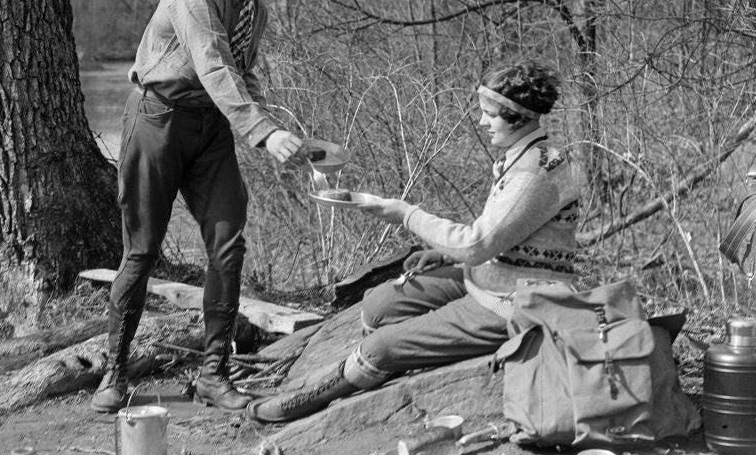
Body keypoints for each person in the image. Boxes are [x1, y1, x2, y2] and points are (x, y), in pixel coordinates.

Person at [246, 60, 580, 423]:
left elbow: (477, 244)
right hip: (488, 276)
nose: (482, 122)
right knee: (378, 305)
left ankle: (316, 398)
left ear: (518, 116)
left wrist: (406, 214)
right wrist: (442, 253)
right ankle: (384, 362)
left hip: (517, 301)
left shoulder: (535, 170)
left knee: (380, 346)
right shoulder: (520, 156)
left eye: (489, 115)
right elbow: (503, 235)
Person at [92, 0, 321, 413]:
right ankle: (113, 374)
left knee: (227, 245)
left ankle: (214, 376)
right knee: (142, 251)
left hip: (211, 129)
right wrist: (262, 132)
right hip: (158, 119)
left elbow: (241, 76)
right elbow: (213, 65)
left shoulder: (255, 9)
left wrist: (283, 133)